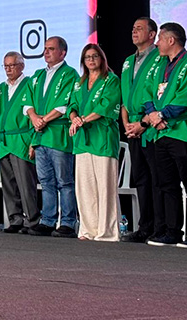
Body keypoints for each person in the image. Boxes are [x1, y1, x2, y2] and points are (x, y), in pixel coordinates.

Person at [142, 22, 187, 248]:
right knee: (167, 184)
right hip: (160, 133)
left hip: (182, 132)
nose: (157, 43)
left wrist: (161, 115)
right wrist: (152, 114)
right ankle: (172, 231)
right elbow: (147, 91)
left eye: (160, 38)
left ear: (171, 40)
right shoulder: (159, 64)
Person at [22, 36, 80, 238]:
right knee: (46, 181)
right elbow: (27, 102)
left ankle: (68, 222)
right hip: (40, 135)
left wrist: (43, 119)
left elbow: (65, 103)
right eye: (45, 48)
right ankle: (47, 220)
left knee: (64, 181)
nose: (46, 52)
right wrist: (34, 118)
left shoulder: (70, 74)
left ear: (62, 53)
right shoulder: (38, 75)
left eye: (51, 49)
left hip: (57, 134)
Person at [68, 44, 122, 242]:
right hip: (82, 139)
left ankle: (106, 231)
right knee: (85, 187)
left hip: (102, 137)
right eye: (87, 57)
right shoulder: (79, 82)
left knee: (105, 187)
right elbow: (72, 105)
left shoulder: (111, 80)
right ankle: (88, 229)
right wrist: (74, 118)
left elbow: (105, 106)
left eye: (95, 56)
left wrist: (82, 120)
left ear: (102, 58)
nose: (91, 60)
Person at [119, 17, 165, 243]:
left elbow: (159, 94)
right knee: (141, 178)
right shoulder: (129, 61)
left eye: (139, 28)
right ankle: (144, 226)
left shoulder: (160, 57)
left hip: (151, 125)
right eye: (133, 28)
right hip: (132, 126)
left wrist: (142, 123)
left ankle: (160, 227)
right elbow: (124, 98)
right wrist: (127, 124)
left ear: (152, 34)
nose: (134, 31)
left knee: (157, 179)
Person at [0, 52, 39, 233]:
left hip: (21, 139)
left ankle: (31, 220)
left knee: (25, 183)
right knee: (8, 183)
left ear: (22, 66)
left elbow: (34, 112)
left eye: (12, 65)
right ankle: (15, 218)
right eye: (6, 66)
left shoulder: (30, 84)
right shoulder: (0, 88)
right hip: (4, 140)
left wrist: (34, 140)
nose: (8, 69)